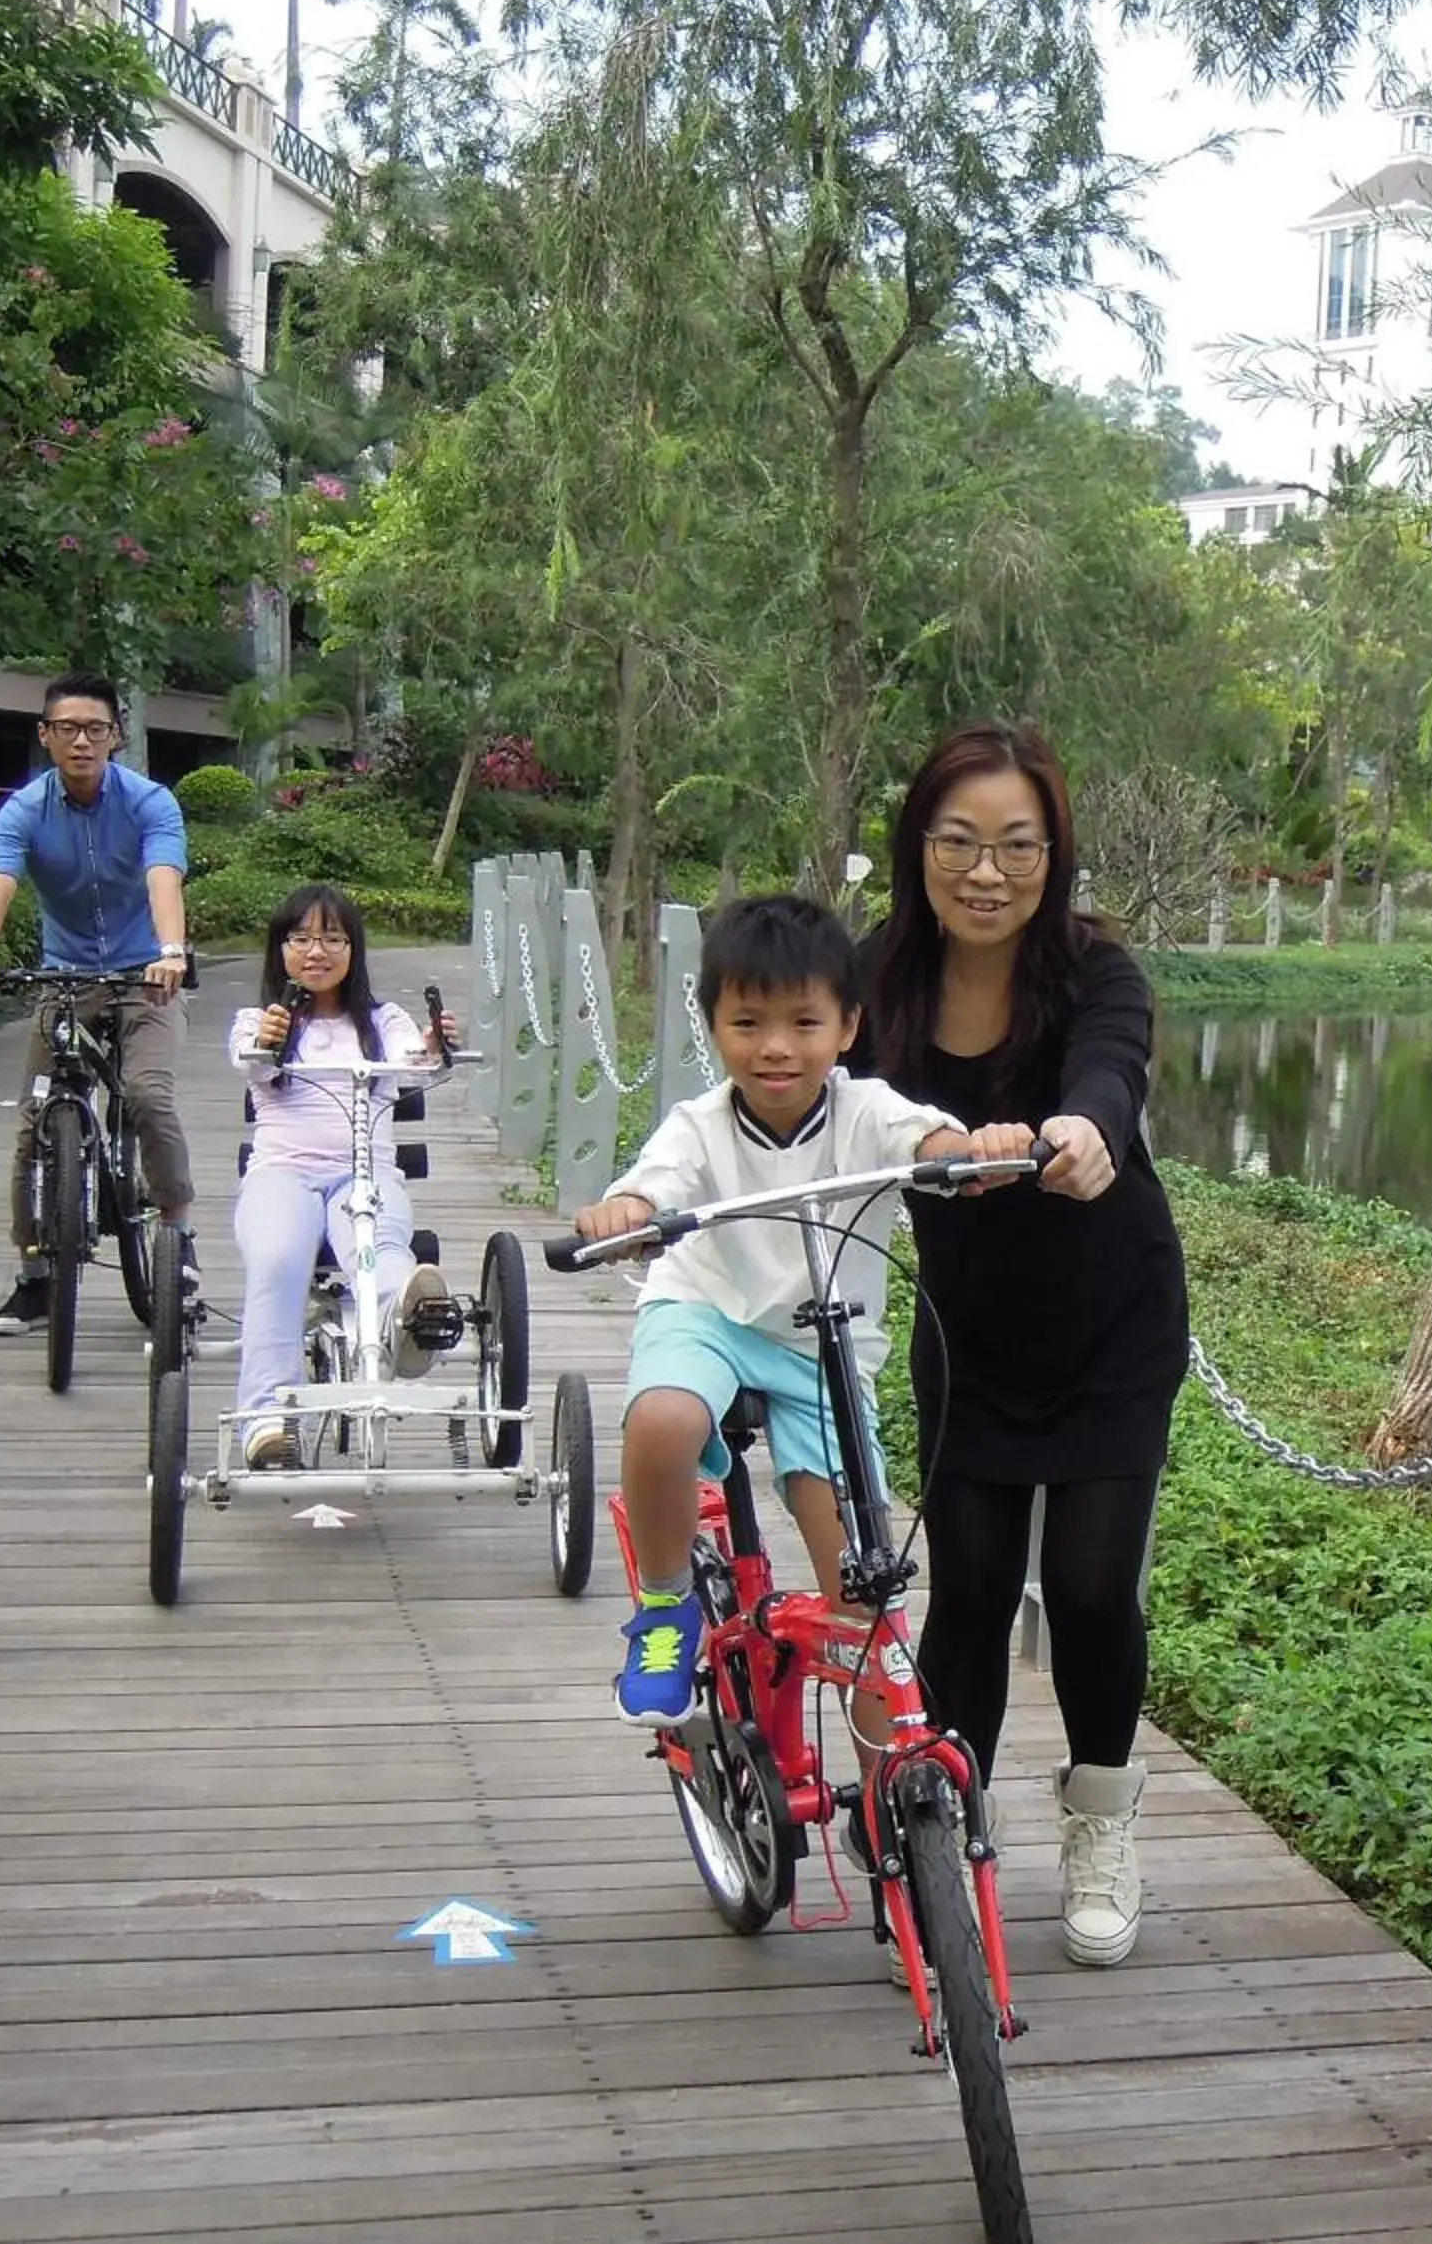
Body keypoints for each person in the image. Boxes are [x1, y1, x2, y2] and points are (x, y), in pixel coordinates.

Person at [855, 718, 1191, 1970]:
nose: (986, 871)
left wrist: (1087, 1130)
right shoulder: (872, 979)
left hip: (1114, 1326)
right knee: (973, 1598)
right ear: (918, 845)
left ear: (1054, 855)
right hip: (967, 1333)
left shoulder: (1097, 972)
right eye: (959, 841)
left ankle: (1102, 1819)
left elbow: (1111, 1073)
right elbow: (781, 1093)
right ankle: (950, 1842)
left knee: (1098, 1590)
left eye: (1017, 846)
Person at [573, 898, 1008, 1750]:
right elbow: (655, 1183)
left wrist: (960, 1158)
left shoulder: (868, 1111)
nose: (776, 1047)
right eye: (748, 1022)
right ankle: (665, 1606)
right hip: (708, 1311)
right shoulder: (699, 1127)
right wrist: (627, 1208)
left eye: (804, 1022)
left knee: (864, 1588)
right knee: (664, 1420)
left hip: (823, 1344)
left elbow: (927, 1139)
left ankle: (897, 1792)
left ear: (848, 1026)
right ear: (714, 1028)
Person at [0, 675, 199, 1336]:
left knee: (148, 1095)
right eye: (67, 728)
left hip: (147, 976)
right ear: (45, 735)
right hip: (65, 979)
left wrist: (171, 950)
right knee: (36, 1117)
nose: (82, 740)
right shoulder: (25, 809)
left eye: (95, 728)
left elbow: (162, 875)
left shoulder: (151, 802)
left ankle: (180, 1237)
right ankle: (34, 1278)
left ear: (116, 735)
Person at [228, 885, 458, 1472]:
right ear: (280, 950)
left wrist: (435, 1045)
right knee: (278, 1259)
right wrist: (268, 1043)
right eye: (301, 938)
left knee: (375, 1248)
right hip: (283, 1172)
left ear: (353, 950)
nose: (317, 950)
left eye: (333, 938)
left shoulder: (385, 1020)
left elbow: (417, 1064)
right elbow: (251, 1059)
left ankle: (408, 1322)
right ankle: (265, 1419)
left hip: (364, 1172)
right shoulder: (260, 1021)